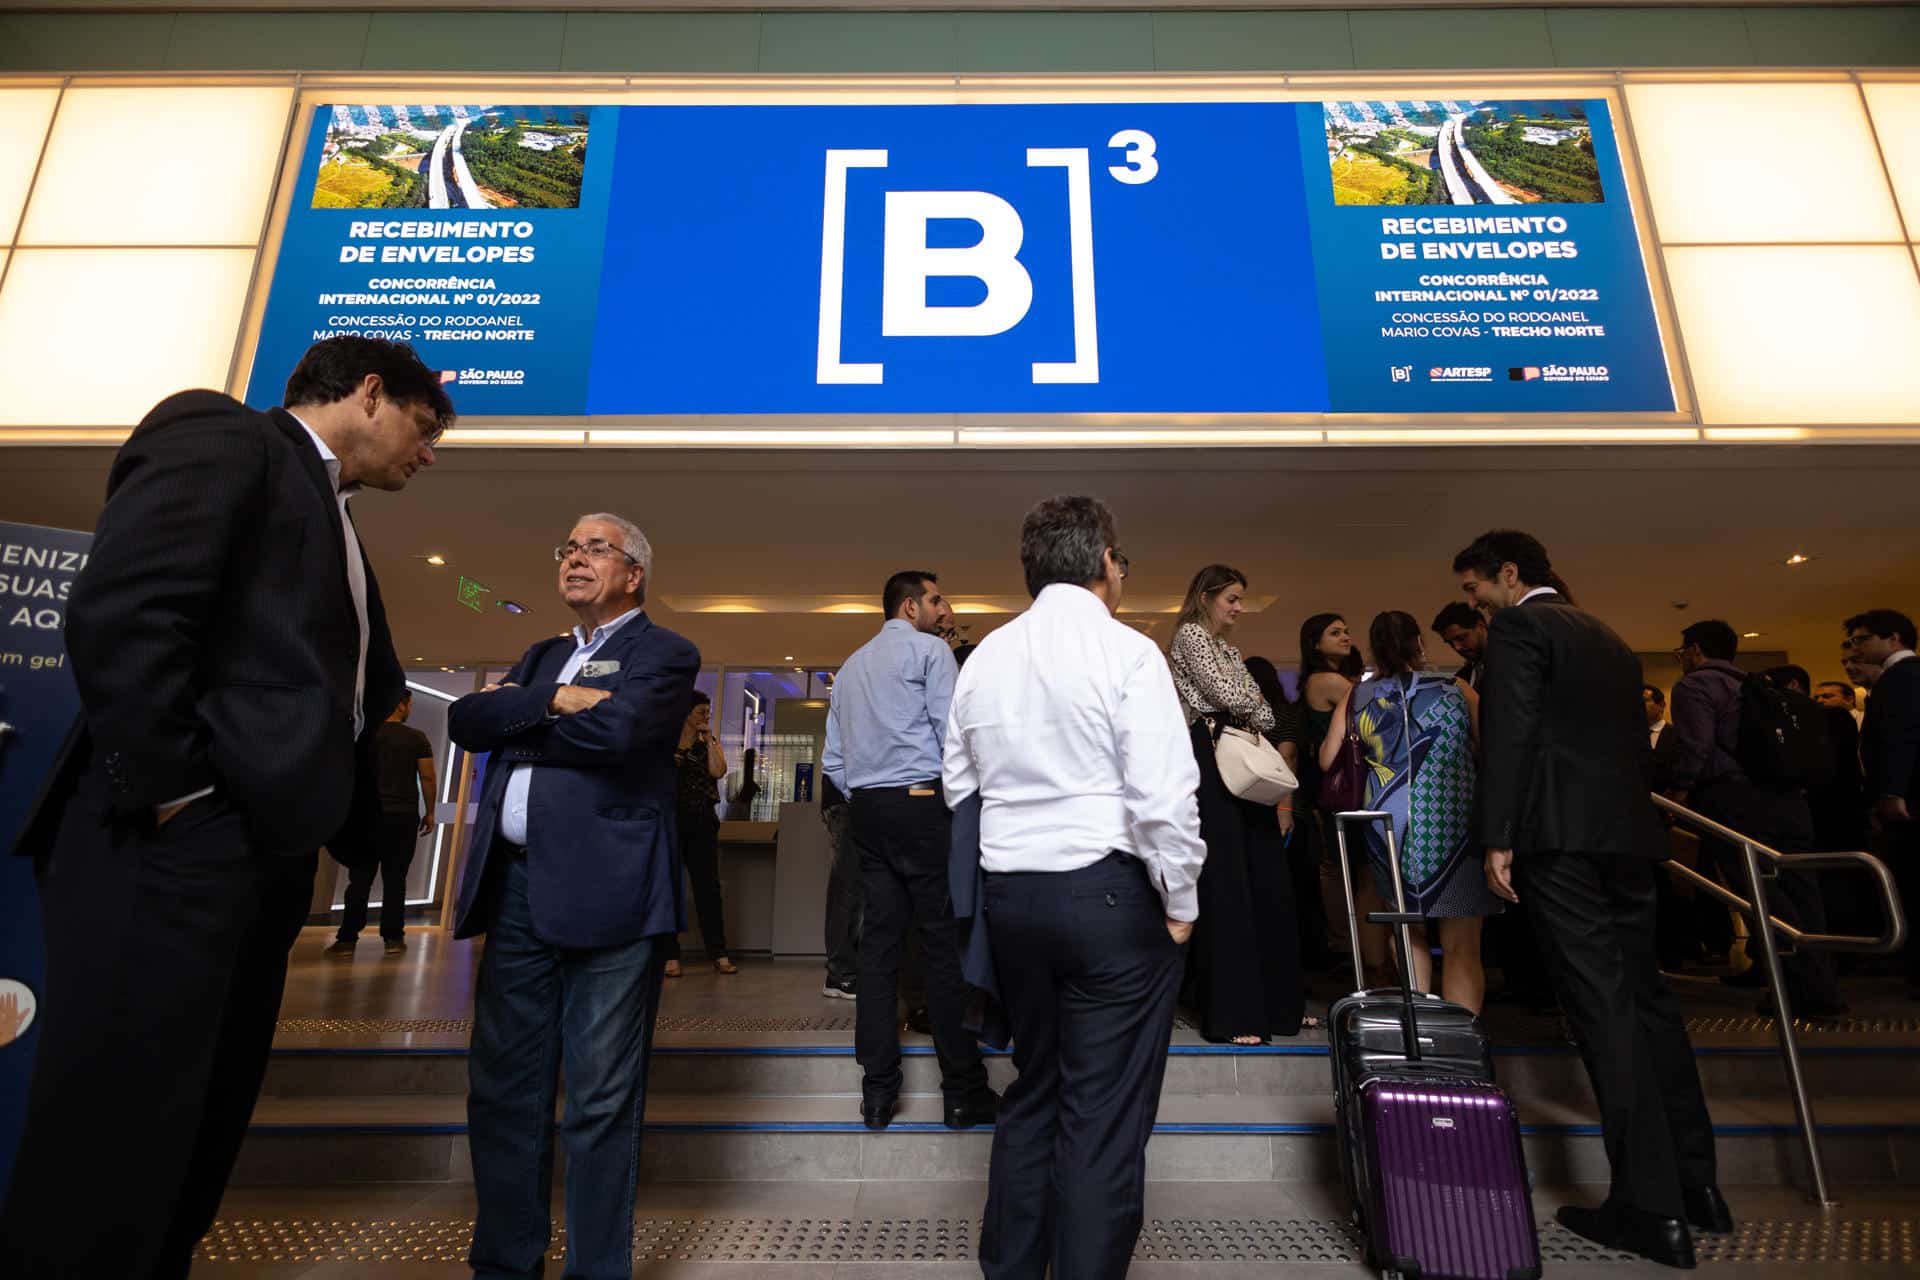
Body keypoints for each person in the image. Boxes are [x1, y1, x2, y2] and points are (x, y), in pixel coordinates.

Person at [0, 336, 450, 1280]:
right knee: (115, 1130)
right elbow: (126, 612)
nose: (430, 450)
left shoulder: (340, 525)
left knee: (193, 1129)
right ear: (369, 393)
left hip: (254, 863)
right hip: (167, 852)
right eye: (425, 423)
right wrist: (180, 799)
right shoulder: (223, 435)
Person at [945, 494, 1205, 1280]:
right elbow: (1164, 798)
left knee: (1034, 1091)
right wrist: (1183, 904)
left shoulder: (984, 655)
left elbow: (961, 788)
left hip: (1012, 903)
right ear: (1104, 563)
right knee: (1102, 1121)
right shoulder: (1128, 653)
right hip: (1108, 900)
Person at [1459, 528, 1725, 1270]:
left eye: (1475, 588)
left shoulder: (1520, 625)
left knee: (1601, 1009)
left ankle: (1649, 1206)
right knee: (1648, 1002)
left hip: (1559, 840)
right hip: (1628, 838)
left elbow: (1510, 733)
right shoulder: (1603, 633)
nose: (1474, 605)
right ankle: (1699, 1187)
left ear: (1508, 574)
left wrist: (1498, 835)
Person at [447, 513, 699, 1280]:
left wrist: (519, 710)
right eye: (568, 548)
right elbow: (466, 720)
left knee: (598, 1099)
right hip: (517, 892)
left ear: (633, 574)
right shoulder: (544, 654)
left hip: (614, 899)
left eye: (596, 549)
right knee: (503, 1092)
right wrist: (557, 701)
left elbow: (620, 738)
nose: (575, 559)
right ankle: (505, 1263)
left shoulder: (664, 651)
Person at [823, 571, 996, 1130]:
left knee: (877, 949)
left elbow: (832, 760)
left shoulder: (849, 667)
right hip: (923, 803)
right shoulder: (928, 652)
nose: (943, 608)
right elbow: (955, 736)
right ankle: (963, 1092)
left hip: (868, 811)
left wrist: (869, 794)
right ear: (909, 606)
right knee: (943, 947)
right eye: (936, 598)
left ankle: (877, 1094)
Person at [1667, 622, 1846, 1019]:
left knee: (1763, 898)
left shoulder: (1696, 686)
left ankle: (1797, 993)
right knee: (1802, 894)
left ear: (1694, 650)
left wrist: (1678, 792)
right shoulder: (1759, 685)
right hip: (1786, 798)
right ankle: (1823, 988)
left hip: (1735, 799)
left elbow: (1696, 746)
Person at [1320, 610, 1495, 1012]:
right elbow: (1491, 752)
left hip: (1388, 825)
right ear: (1419, 643)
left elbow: (1330, 759)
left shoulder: (1358, 695)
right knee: (1462, 943)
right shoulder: (1457, 689)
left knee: (1408, 930)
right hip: (1453, 820)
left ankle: (1420, 1029)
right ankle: (1461, 1041)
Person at [1169, 567, 1306, 1044]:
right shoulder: (1190, 635)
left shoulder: (1228, 648)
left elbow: (1266, 710)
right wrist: (1245, 700)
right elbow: (1226, 695)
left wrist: (1245, 701)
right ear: (1205, 597)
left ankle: (1271, 1007)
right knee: (1226, 881)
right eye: (1231, 598)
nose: (1238, 607)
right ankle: (1234, 1013)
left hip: (1237, 758)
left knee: (1261, 878)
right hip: (1210, 759)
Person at [327, 691, 438, 958]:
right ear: (400, 705)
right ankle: (393, 938)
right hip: (402, 816)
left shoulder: (365, 735)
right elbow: (428, 777)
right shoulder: (416, 738)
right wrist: (430, 812)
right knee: (396, 879)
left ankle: (346, 937)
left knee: (360, 879)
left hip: (367, 815)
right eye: (409, 703)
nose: (410, 708)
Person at [1846, 608, 1920, 993]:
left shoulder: (1902, 678)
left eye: (1862, 639)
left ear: (1894, 639)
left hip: (1908, 800)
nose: (1856, 647)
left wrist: (1892, 791)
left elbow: (1900, 739)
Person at [1246, 655, 1326, 969]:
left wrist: (1284, 808)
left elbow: (1287, 760)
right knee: (1299, 888)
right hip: (1286, 808)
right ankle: (1307, 955)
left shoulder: (1262, 717)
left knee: (1284, 887)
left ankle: (1286, 956)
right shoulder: (1287, 714)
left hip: (1274, 809)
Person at [663, 691, 735, 978]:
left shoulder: (708, 743)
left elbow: (719, 772)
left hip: (703, 819)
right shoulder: (668, 741)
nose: (705, 717)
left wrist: (711, 741)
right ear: (686, 714)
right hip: (671, 818)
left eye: (707, 712)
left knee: (708, 887)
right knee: (670, 888)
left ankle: (718, 952)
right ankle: (670, 955)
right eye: (700, 713)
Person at [820, 772, 859, 999]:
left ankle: (845, 970)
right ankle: (840, 974)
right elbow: (835, 760)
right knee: (847, 887)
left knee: (853, 887)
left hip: (849, 799)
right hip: (845, 802)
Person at [1432, 600, 1489, 689]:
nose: (1457, 647)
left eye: (1461, 638)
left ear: (1480, 626)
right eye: (1450, 643)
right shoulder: (1462, 677)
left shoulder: (1513, 661)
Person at [724, 747, 761, 822]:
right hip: (737, 812)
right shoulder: (733, 776)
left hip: (740, 812)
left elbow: (729, 798)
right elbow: (729, 798)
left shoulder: (732, 776)